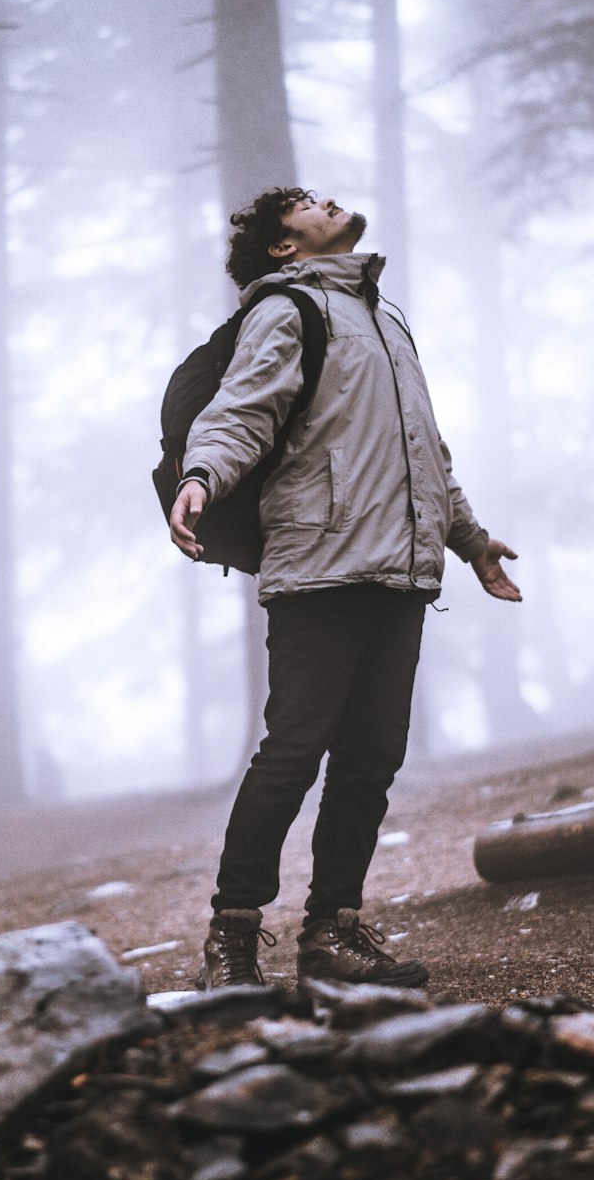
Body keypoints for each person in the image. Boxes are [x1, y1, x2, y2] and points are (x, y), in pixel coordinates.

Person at [169, 187, 521, 990]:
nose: (329, 202)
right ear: (285, 248)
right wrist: (201, 475)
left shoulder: (385, 317)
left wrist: (469, 541)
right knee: (292, 753)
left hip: (400, 573)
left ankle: (334, 932)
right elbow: (243, 411)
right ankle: (232, 935)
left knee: (370, 759)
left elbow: (424, 448)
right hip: (321, 566)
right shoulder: (289, 310)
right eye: (308, 204)